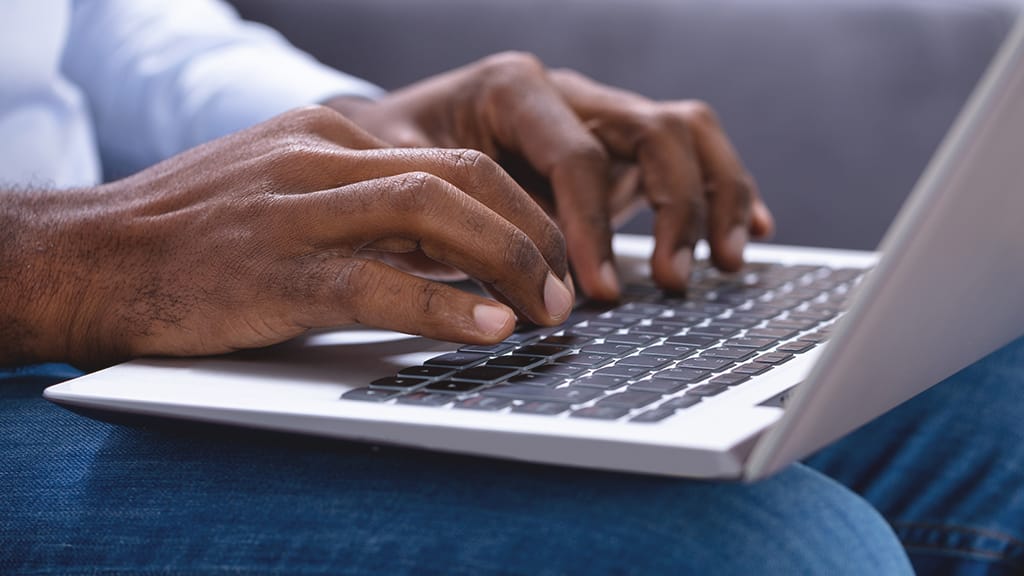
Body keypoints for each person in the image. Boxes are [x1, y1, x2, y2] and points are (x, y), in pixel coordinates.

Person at [0, 1, 1020, 574]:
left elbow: (110, 29)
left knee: (1000, 398)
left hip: (130, 280)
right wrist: (65, 262)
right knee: (767, 556)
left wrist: (366, 146)